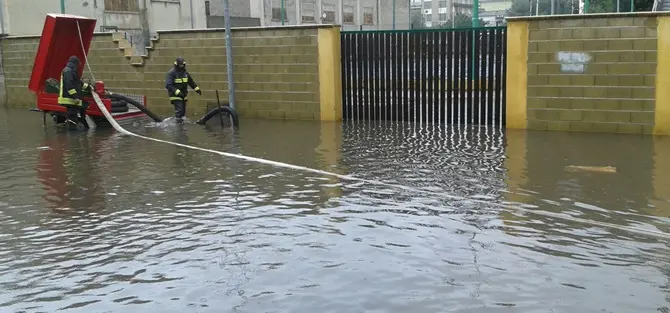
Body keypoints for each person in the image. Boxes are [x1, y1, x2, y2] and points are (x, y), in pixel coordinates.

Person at [57, 55, 92, 129]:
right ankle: (72, 137)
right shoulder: (68, 71)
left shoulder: (71, 71)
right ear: (75, 63)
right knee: (72, 118)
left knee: (76, 115)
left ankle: (74, 133)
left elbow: (78, 83)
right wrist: (75, 97)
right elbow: (70, 86)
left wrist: (89, 88)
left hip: (72, 99)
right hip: (70, 99)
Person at [165, 56, 202, 123]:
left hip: (183, 95)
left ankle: (180, 124)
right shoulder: (171, 73)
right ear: (177, 65)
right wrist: (178, 92)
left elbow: (191, 82)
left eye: (183, 65)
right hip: (175, 96)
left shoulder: (185, 73)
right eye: (180, 65)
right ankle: (178, 126)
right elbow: (168, 85)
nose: (182, 66)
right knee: (180, 110)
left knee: (183, 112)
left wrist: (197, 89)